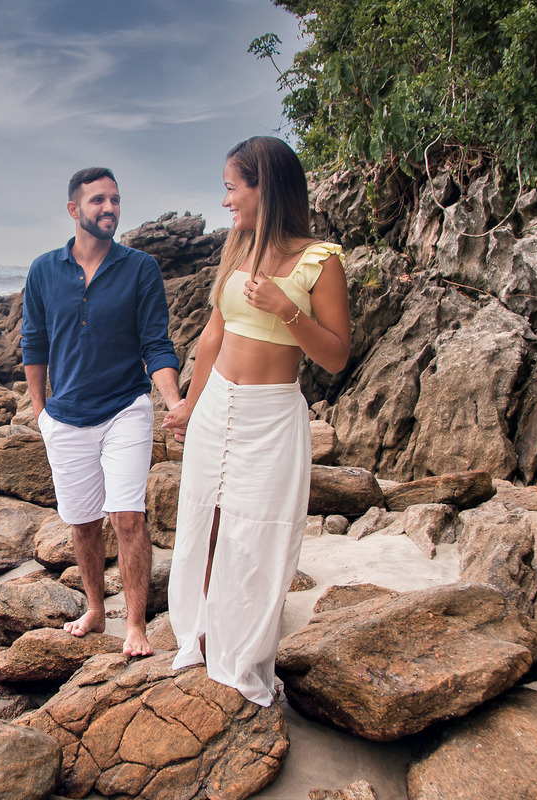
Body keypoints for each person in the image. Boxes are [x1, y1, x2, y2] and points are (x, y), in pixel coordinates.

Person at [161, 137, 351, 705]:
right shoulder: (237, 247)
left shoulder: (321, 260)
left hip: (271, 416)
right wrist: (190, 405)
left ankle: (241, 657)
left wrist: (286, 309)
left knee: (256, 536)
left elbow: (336, 356)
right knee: (205, 523)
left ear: (264, 187)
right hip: (216, 405)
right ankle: (200, 637)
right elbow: (212, 336)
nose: (225, 201)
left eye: (231, 188)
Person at [21, 166, 184, 657]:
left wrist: (174, 400)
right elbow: (34, 343)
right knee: (84, 522)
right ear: (74, 209)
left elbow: (156, 344)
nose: (109, 207)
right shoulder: (43, 270)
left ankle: (135, 625)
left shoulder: (140, 268)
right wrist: (40, 412)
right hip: (65, 416)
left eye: (114, 199)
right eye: (98, 200)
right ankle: (95, 609)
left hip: (125, 408)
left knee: (127, 517)